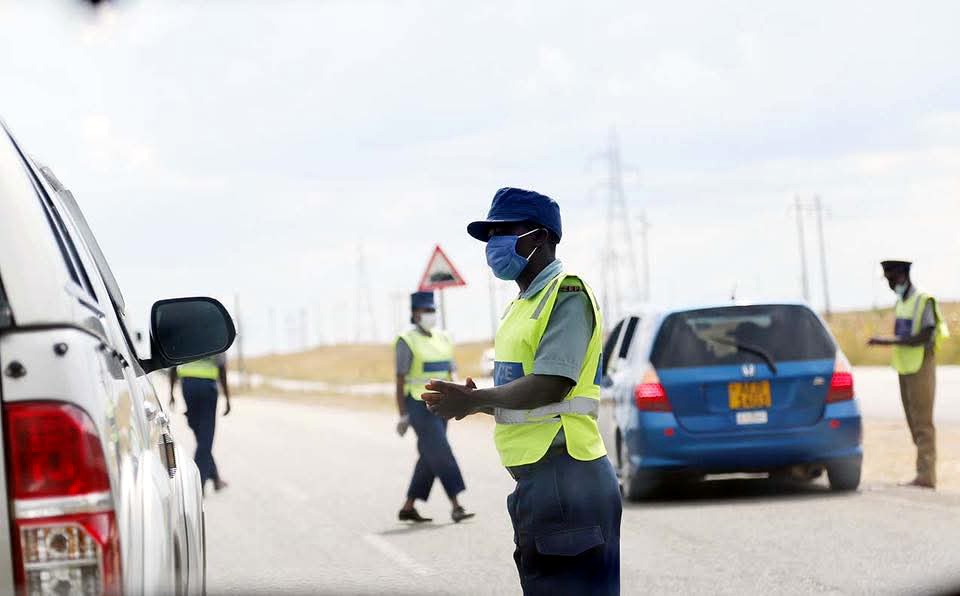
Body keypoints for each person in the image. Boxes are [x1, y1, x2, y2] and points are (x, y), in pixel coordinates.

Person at [423, 187, 621, 596]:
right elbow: (521, 391)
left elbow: (552, 383)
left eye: (504, 231)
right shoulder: (522, 304)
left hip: (567, 476)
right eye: (490, 235)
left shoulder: (566, 293)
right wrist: (474, 401)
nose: (494, 244)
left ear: (541, 236)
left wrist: (475, 400)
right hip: (541, 480)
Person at [868, 260, 950, 489]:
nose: (890, 284)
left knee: (923, 423)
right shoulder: (901, 302)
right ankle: (922, 472)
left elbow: (927, 333)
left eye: (892, 278)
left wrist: (888, 341)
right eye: (887, 279)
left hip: (921, 365)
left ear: (903, 274)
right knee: (913, 421)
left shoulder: (923, 300)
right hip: (905, 368)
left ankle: (926, 476)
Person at [395, 291, 475, 523]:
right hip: (418, 404)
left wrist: (461, 397)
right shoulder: (406, 341)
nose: (430, 314)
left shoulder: (444, 338)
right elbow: (399, 379)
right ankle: (456, 505)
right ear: (414, 314)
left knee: (429, 454)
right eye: (425, 310)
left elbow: (452, 371)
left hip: (442, 404)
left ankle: (408, 506)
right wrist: (402, 414)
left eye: (432, 310)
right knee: (440, 450)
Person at [169, 353, 231, 494]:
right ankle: (197, 486)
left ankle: (215, 478)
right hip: (207, 387)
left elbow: (172, 360)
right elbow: (222, 368)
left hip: (188, 386)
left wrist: (171, 391)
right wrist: (227, 398)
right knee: (205, 439)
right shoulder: (217, 333)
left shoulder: (184, 332)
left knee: (202, 437)